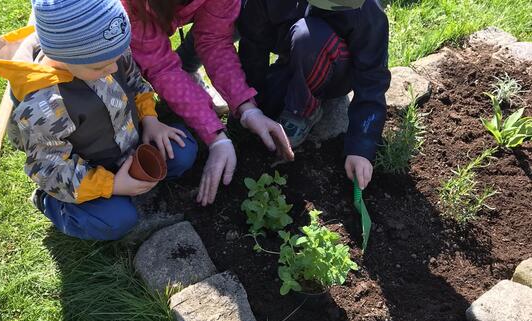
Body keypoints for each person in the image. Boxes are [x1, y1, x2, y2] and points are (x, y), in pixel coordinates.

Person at [0, 0, 198, 241]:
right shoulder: (44, 105)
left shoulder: (107, 51)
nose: (113, 68)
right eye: (100, 67)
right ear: (63, 56)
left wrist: (150, 119)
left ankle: (125, 182)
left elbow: (135, 83)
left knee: (183, 151)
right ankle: (52, 204)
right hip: (85, 170)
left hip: (127, 144)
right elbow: (51, 169)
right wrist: (111, 185)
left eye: (118, 57)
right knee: (116, 221)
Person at [122, 0, 294, 207]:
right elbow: (161, 67)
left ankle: (186, 70)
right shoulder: (128, 6)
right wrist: (215, 136)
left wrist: (246, 107)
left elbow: (215, 40)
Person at [238, 0, 391, 189]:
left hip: (336, 67)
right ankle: (294, 86)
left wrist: (361, 148)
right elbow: (252, 45)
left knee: (308, 36)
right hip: (293, 59)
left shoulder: (367, 11)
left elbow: (372, 80)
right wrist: (251, 105)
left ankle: (301, 111)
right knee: (269, 104)